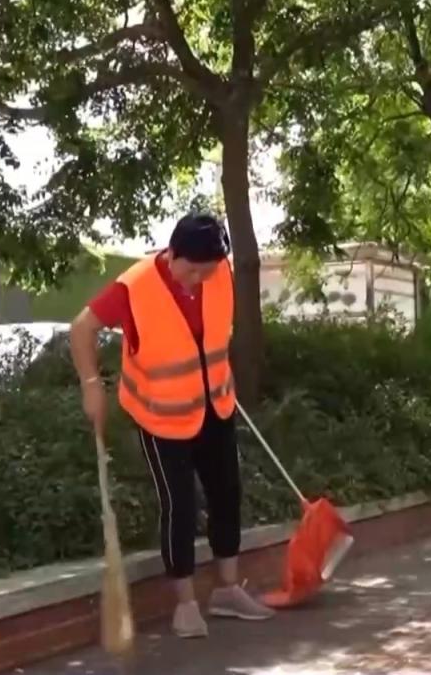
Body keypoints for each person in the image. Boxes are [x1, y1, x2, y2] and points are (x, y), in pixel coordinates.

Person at [69, 212, 274, 639]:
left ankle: (227, 590)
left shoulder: (219, 274)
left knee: (227, 493)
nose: (199, 279)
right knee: (180, 503)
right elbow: (82, 327)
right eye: (192, 270)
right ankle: (185, 604)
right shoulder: (135, 287)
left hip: (215, 406)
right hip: (160, 416)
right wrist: (91, 383)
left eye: (208, 270)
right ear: (172, 253)